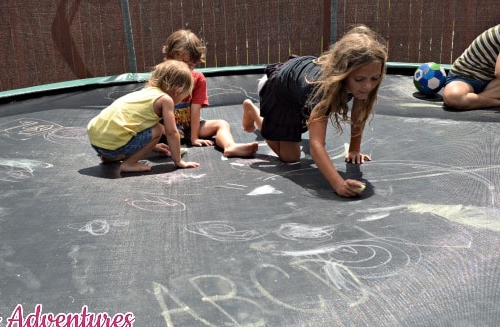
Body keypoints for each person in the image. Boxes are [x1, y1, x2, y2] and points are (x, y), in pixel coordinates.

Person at [242, 25, 387, 198]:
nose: (368, 86)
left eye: (374, 79)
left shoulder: (362, 84)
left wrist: (354, 149)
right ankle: (253, 111)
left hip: (299, 86)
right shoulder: (322, 90)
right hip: (279, 89)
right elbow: (317, 144)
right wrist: (338, 184)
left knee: (294, 147)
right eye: (359, 79)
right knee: (290, 158)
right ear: (342, 72)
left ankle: (262, 117)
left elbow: (359, 112)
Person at [87, 60, 200, 173]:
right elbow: (171, 132)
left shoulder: (146, 93)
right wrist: (178, 161)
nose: (180, 101)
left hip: (97, 142)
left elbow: (135, 124)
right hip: (113, 146)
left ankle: (108, 157)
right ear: (178, 90)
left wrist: (153, 147)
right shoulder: (166, 99)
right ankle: (129, 164)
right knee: (158, 129)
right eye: (183, 97)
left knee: (149, 125)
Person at [163, 29, 259, 157]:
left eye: (190, 65)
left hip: (189, 125)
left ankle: (229, 146)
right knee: (152, 130)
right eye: (181, 64)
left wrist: (194, 137)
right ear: (169, 57)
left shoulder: (197, 78)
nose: (185, 69)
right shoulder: (162, 76)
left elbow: (195, 109)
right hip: (165, 127)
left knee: (222, 124)